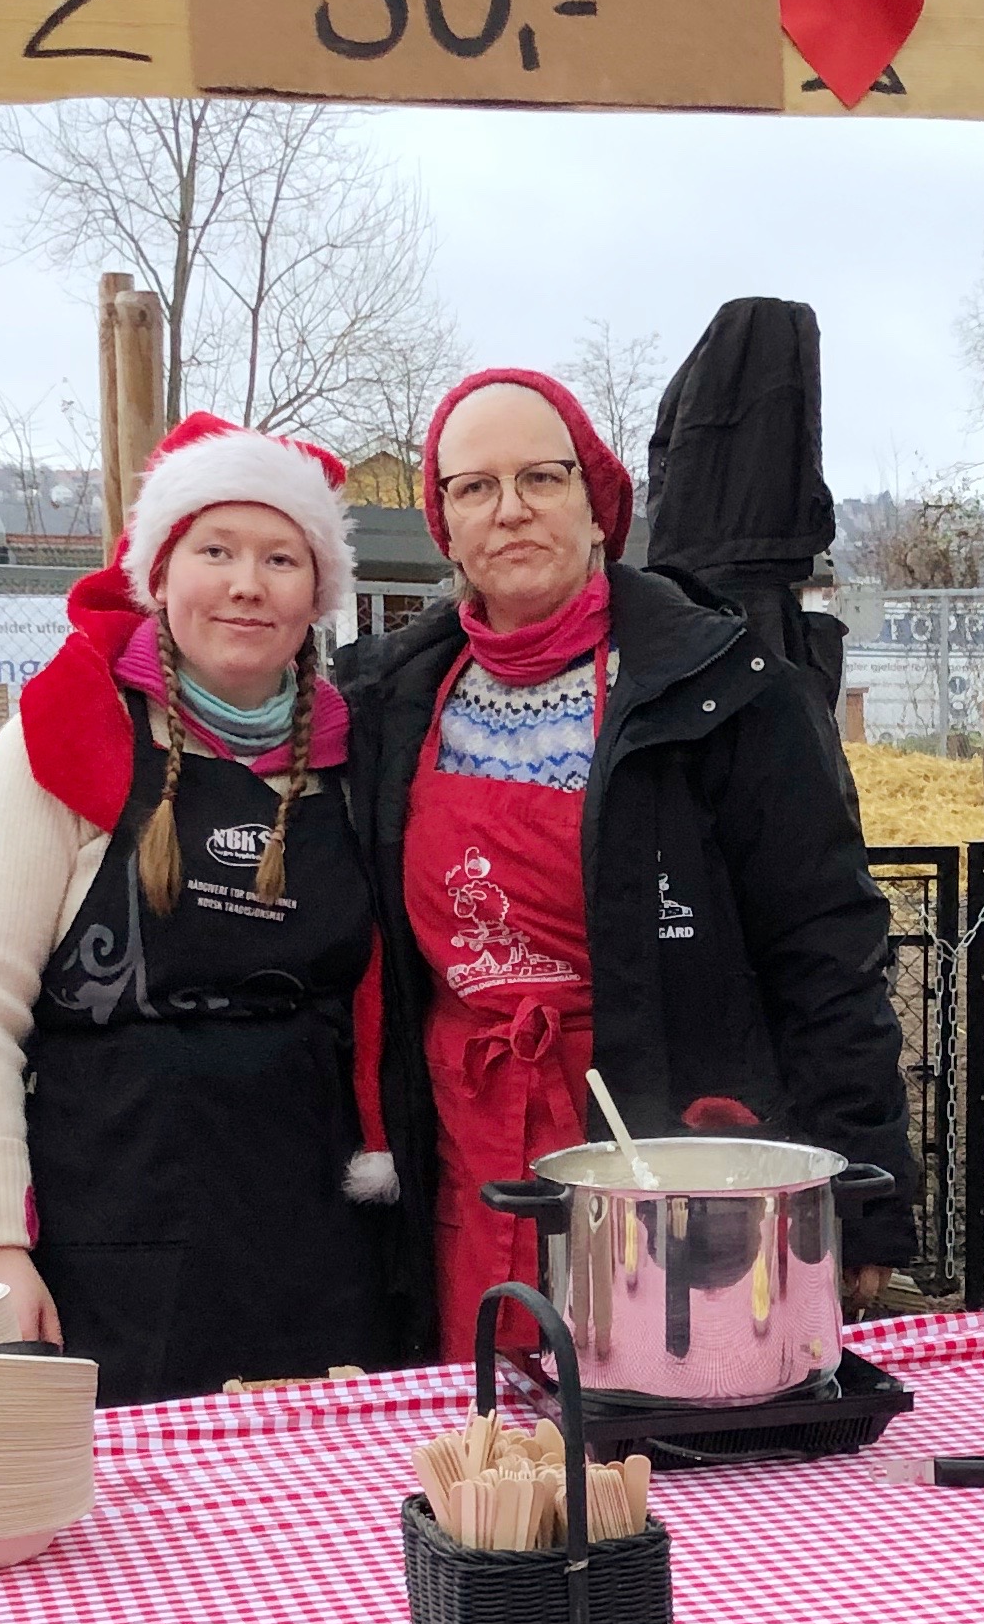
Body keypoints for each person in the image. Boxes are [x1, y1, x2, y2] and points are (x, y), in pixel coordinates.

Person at [348, 366, 918, 1368]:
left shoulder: (726, 694)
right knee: (483, 1430)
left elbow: (825, 951)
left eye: (542, 477)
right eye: (475, 487)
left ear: (597, 503)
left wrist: (864, 1192)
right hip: (460, 1155)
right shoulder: (387, 702)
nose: (510, 509)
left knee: (661, 1420)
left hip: (670, 1159)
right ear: (445, 525)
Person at [0, 412, 405, 1403]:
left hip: (319, 1236)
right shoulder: (66, 738)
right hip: (113, 1234)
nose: (246, 584)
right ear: (160, 572)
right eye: (215, 550)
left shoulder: (362, 762)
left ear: (317, 592)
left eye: (280, 558)